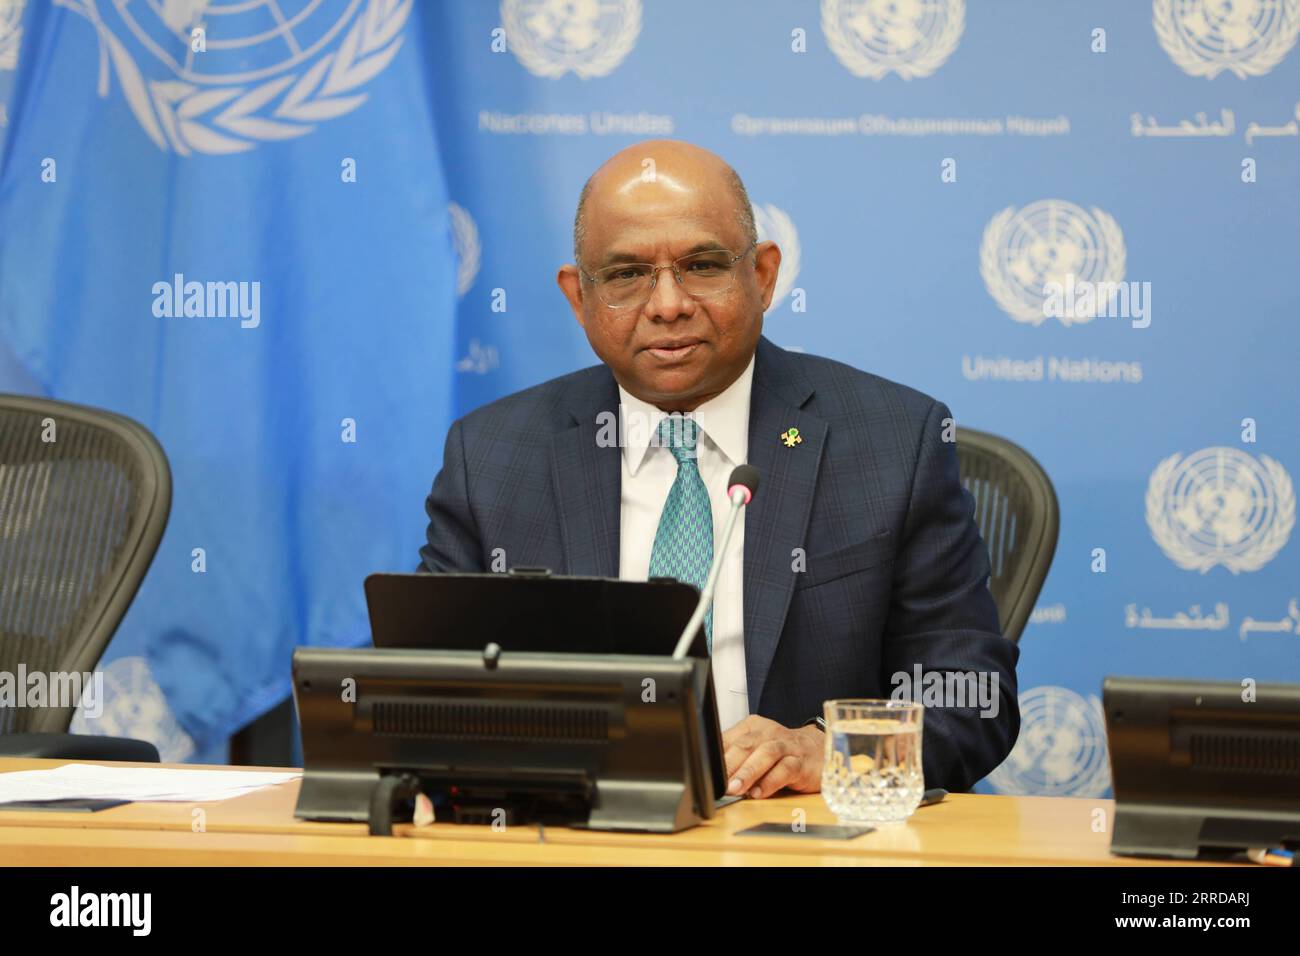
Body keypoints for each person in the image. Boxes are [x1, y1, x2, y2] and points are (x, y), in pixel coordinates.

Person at [420, 139, 1018, 797]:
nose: (669, 304)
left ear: (762, 275)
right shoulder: (495, 456)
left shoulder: (892, 444)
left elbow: (973, 699)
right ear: (578, 297)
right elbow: (426, 688)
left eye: (702, 265)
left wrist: (834, 749)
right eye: (626, 275)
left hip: (797, 843)